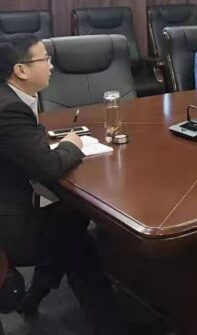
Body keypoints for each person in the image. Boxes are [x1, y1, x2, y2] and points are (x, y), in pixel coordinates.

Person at [0, 34, 119, 331]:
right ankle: (109, 325)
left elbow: (32, 142)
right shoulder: (9, 108)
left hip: (15, 198)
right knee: (75, 239)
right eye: (45, 59)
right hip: (8, 223)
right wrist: (71, 144)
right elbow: (48, 166)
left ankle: (34, 296)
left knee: (71, 217)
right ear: (21, 70)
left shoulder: (11, 97)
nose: (52, 65)